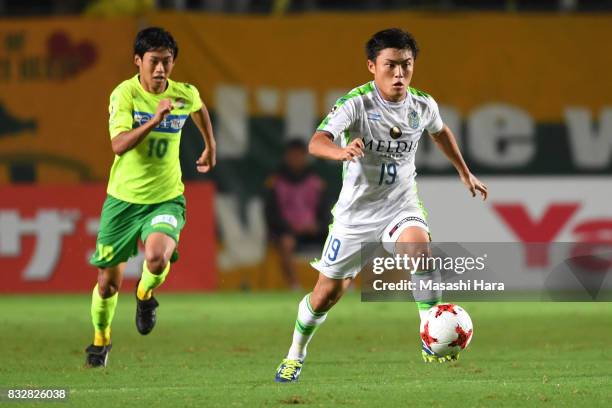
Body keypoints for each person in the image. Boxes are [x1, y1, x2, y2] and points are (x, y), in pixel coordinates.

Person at [274, 28, 487, 382]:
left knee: (420, 250)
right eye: (391, 65)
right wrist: (340, 151)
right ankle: (296, 352)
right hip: (355, 216)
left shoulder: (422, 104)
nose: (399, 74)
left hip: (399, 205)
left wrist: (464, 173)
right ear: (372, 66)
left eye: (406, 65)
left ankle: (429, 330)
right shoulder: (355, 103)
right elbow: (317, 141)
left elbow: (440, 131)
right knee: (326, 295)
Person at [85, 27, 216, 367]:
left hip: (166, 197)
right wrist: (155, 120)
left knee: (157, 257)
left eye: (167, 62)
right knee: (107, 285)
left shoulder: (183, 93)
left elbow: (198, 108)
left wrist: (209, 146)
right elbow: (119, 145)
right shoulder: (124, 94)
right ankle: (100, 342)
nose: (160, 69)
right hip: (124, 201)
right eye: (154, 62)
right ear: (138, 62)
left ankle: (145, 295)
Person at [264, 139, 329, 289]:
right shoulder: (275, 182)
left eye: (299, 155)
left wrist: (318, 226)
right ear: (286, 157)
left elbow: (327, 212)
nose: (296, 159)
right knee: (286, 243)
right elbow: (270, 214)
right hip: (288, 232)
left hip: (314, 231)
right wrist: (289, 228)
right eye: (293, 155)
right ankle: (294, 286)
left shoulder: (316, 182)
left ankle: (340, 283)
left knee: (340, 240)